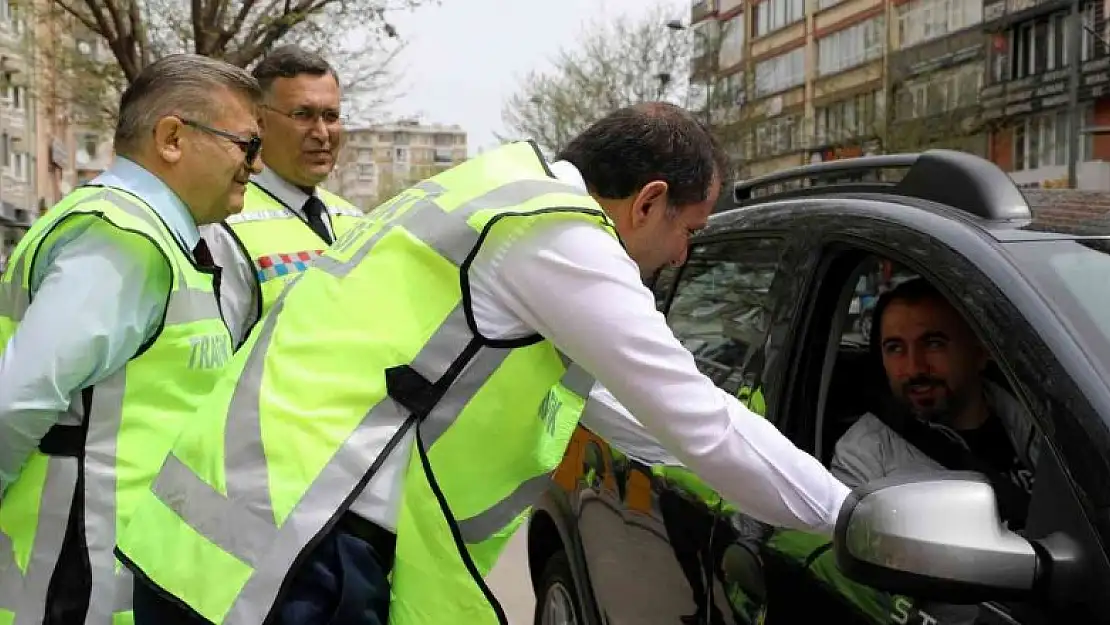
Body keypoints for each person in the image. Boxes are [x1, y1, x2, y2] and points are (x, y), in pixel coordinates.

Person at [117, 103, 851, 625]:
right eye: (689, 230)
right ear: (648, 201)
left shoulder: (496, 191)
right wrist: (849, 515)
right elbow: (696, 418)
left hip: (226, 528)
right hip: (294, 552)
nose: (685, 254)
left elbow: (631, 414)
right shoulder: (558, 237)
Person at [0, 54, 262, 624]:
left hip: (120, 579)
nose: (256, 167)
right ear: (173, 138)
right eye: (247, 145)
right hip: (78, 585)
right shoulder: (122, 240)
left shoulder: (161, 241)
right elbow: (16, 401)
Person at [831, 277, 1038, 528]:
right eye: (895, 348)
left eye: (933, 344)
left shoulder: (1046, 425)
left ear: (981, 351)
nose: (913, 368)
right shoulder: (866, 456)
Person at [203, 45, 363, 345]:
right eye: (303, 115)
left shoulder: (356, 220)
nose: (322, 133)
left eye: (331, 116)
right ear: (258, 123)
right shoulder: (222, 224)